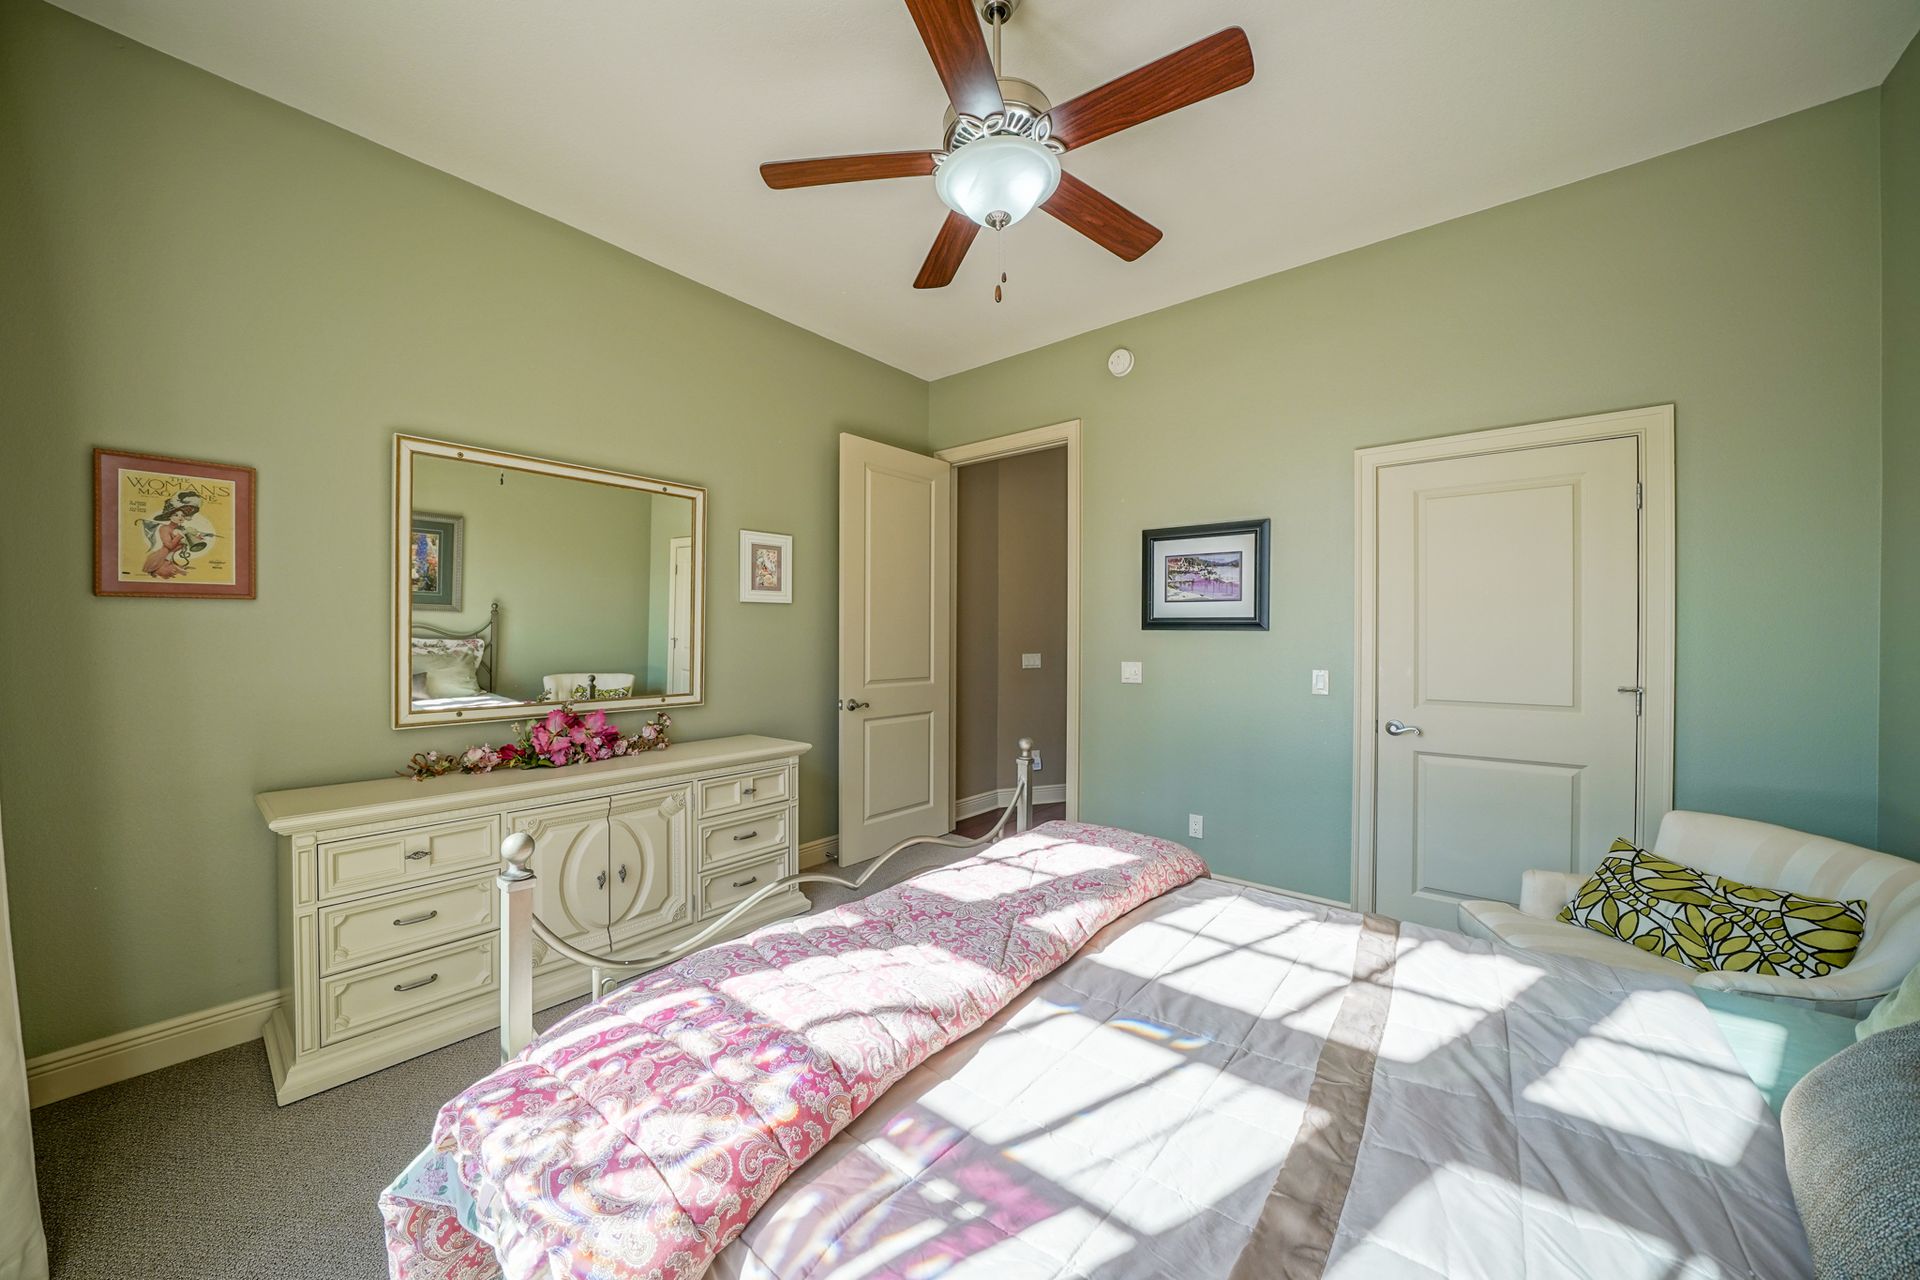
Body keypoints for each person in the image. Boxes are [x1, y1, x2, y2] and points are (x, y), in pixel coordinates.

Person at [140, 490, 211, 579]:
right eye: (176, 515)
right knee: (173, 573)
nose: (180, 518)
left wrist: (197, 537)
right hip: (161, 558)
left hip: (170, 558)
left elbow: (188, 540)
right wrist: (180, 536)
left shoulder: (181, 529)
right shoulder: (165, 528)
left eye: (183, 515)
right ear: (169, 516)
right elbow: (169, 546)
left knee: (186, 573)